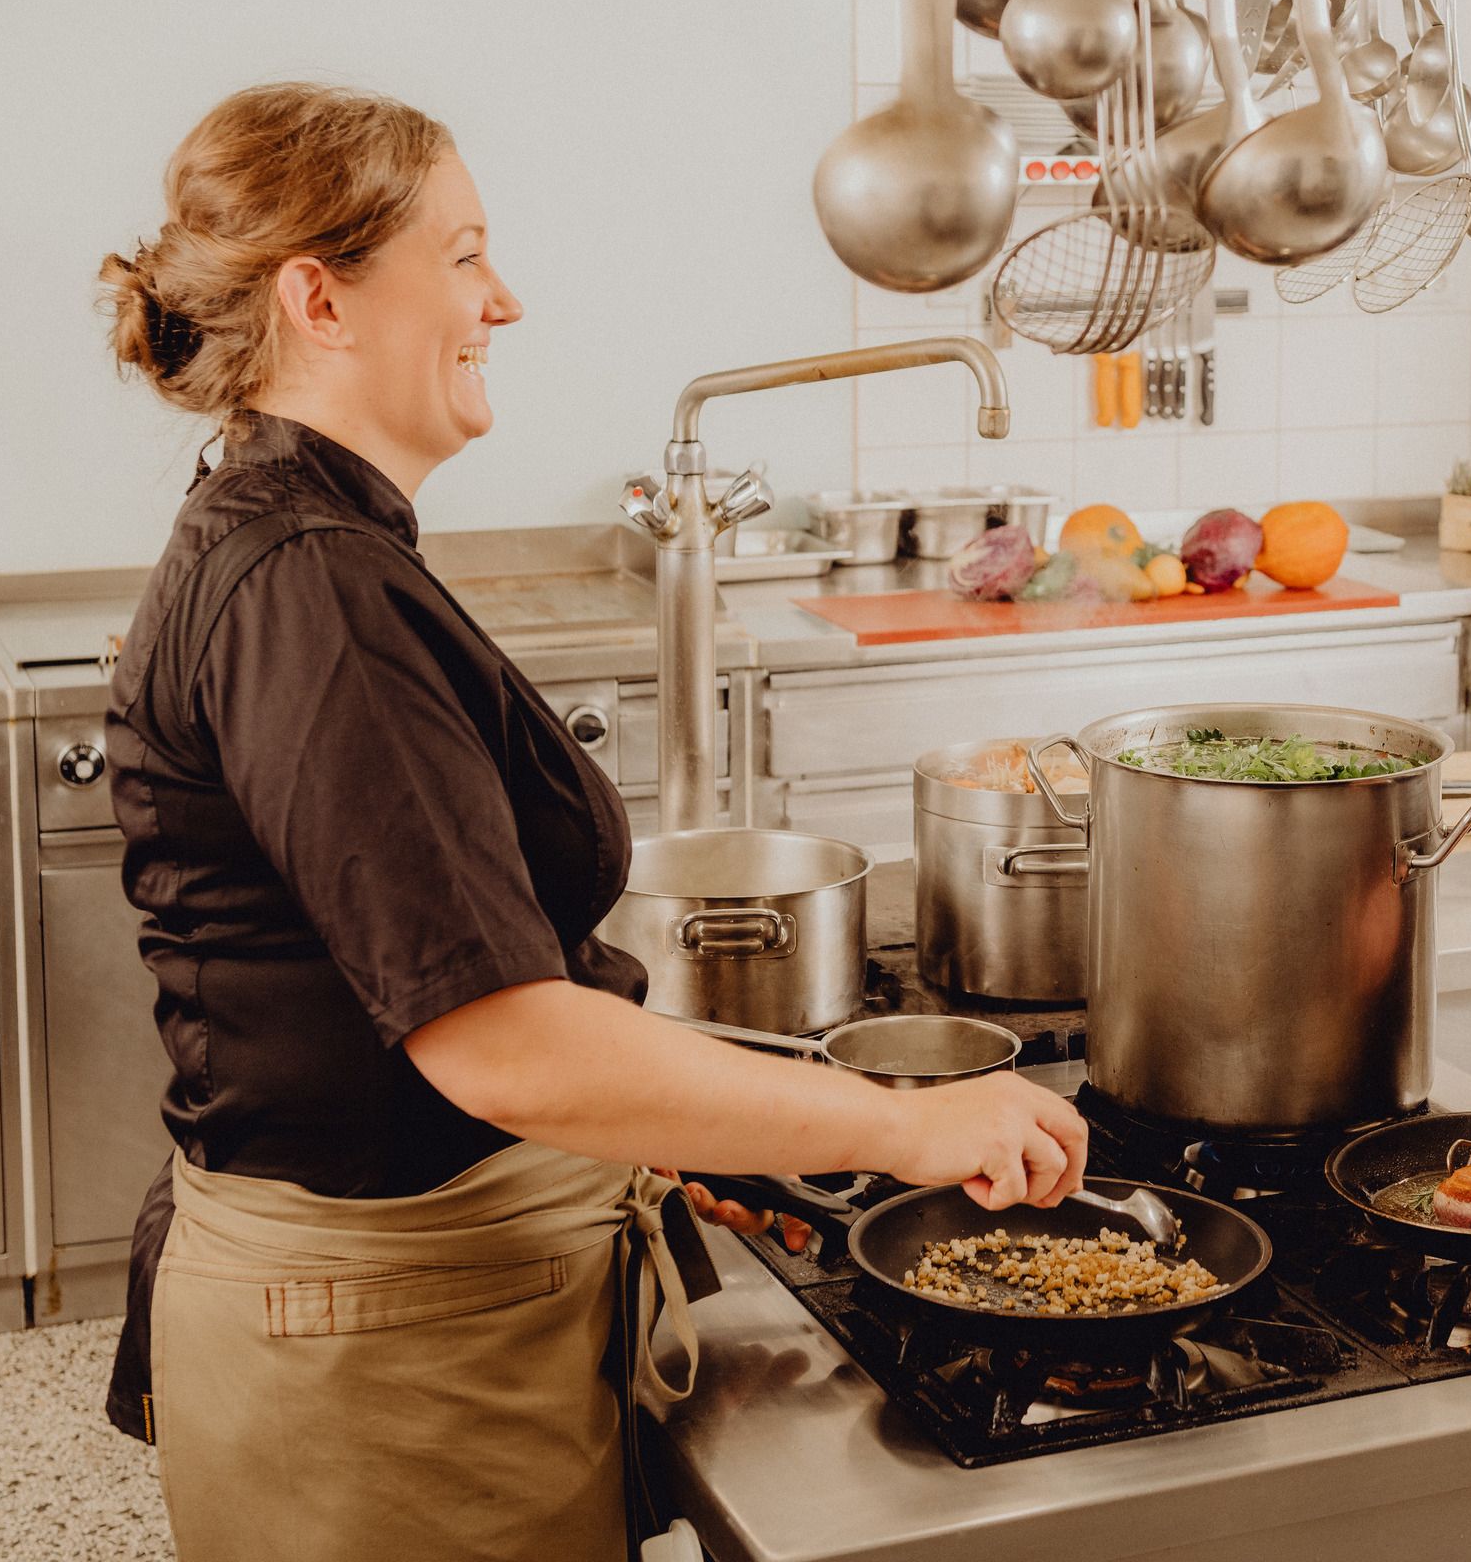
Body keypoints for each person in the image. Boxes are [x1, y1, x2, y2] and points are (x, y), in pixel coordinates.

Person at [93, 82, 1086, 1562]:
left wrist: (679, 1124)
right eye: (465, 254)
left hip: (422, 1306)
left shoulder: (308, 536)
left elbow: (432, 1006)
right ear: (322, 299)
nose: (504, 298)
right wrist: (902, 1124)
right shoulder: (313, 587)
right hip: (391, 1358)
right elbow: (500, 1041)